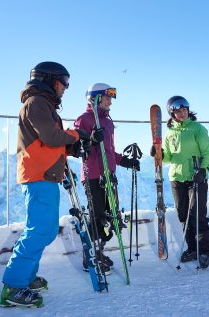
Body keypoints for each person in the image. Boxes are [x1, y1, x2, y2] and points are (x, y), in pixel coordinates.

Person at [0, 61, 90, 307]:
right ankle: (13, 286)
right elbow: (50, 137)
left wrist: (75, 146)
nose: (66, 87)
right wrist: (75, 135)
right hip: (38, 176)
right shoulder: (37, 103)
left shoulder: (43, 104)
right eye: (64, 82)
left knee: (44, 230)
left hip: (45, 175)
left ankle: (25, 278)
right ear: (49, 80)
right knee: (39, 230)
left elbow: (49, 142)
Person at [74, 83, 140, 274]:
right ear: (95, 98)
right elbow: (77, 147)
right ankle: (91, 258)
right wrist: (90, 139)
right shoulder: (84, 119)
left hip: (109, 176)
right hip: (93, 175)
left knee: (112, 219)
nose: (110, 101)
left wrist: (124, 161)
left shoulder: (108, 122)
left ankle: (99, 251)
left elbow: (109, 150)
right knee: (98, 217)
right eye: (107, 97)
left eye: (111, 97)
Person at [154, 96, 209, 268]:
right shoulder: (170, 132)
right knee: (184, 216)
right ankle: (192, 249)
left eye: (184, 110)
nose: (182, 114)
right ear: (171, 113)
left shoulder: (198, 129)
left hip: (196, 176)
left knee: (197, 214)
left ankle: (205, 252)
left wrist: (202, 170)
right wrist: (158, 153)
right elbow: (168, 157)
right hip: (177, 178)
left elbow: (208, 152)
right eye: (178, 111)